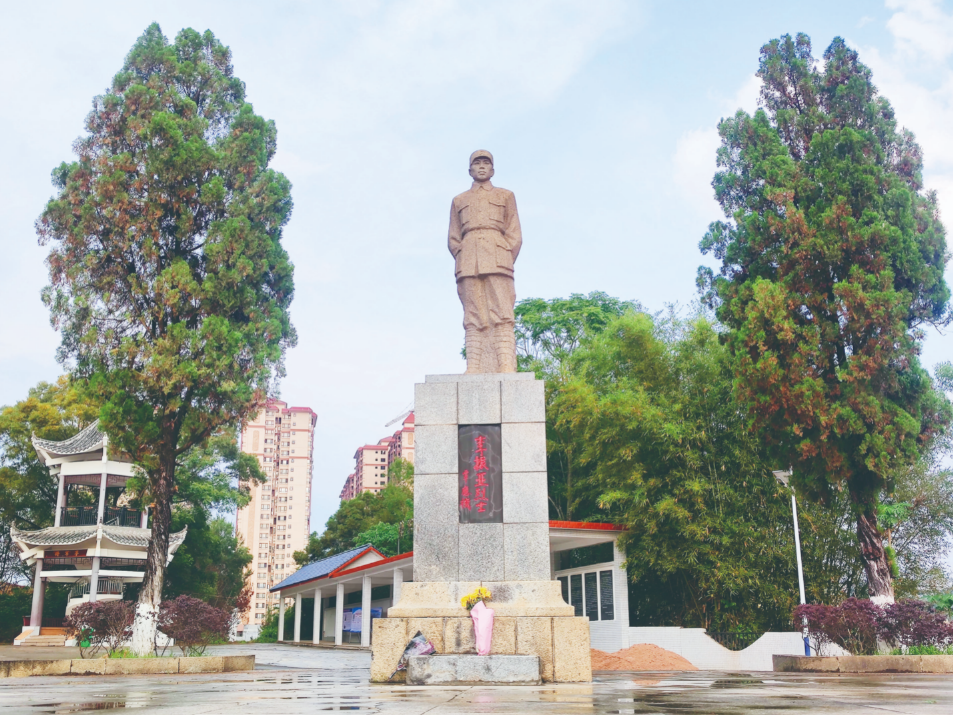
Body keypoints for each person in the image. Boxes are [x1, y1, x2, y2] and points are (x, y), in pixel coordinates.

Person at [448, 150, 522, 373]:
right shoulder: (459, 200)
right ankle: (474, 366)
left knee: (502, 312)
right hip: (469, 260)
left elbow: (514, 233)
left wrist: (505, 255)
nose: (481, 167)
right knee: (472, 315)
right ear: (470, 169)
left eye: (486, 163)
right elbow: (453, 237)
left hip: (497, 257)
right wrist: (462, 254)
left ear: (492, 169)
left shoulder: (505, 196)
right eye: (476, 163)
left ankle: (505, 364)